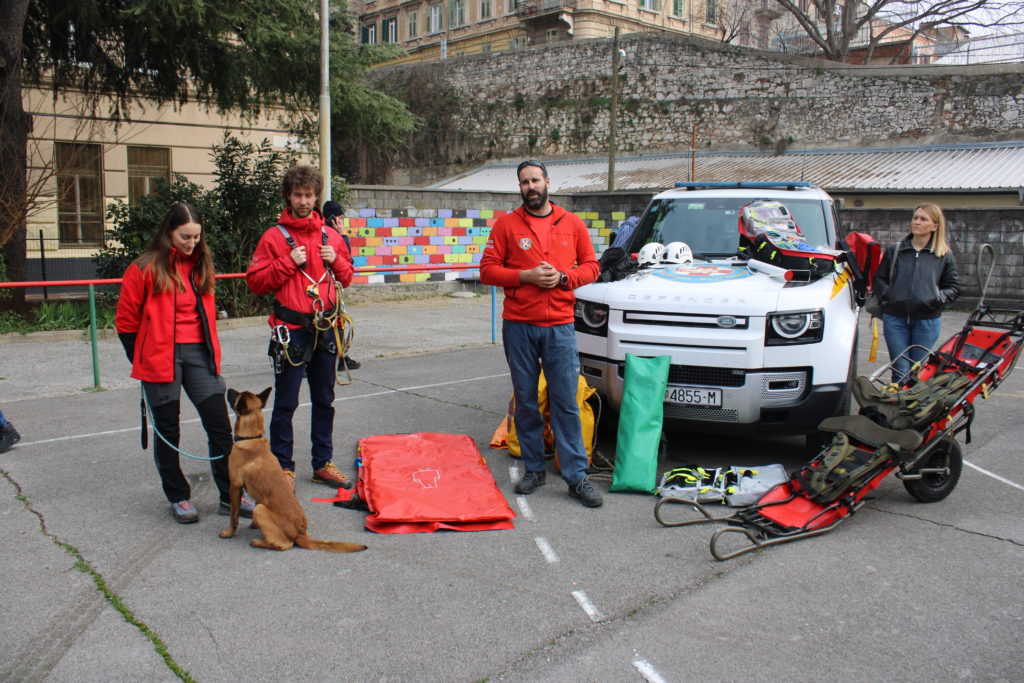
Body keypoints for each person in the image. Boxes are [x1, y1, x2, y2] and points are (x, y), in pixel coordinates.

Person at [116, 202, 255, 524]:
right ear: (168, 233)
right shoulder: (143, 268)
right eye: (184, 237)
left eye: (196, 237)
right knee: (168, 431)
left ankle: (230, 494)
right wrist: (142, 359)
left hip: (198, 356)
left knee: (220, 427)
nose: (191, 243)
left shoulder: (201, 264)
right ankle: (178, 497)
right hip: (159, 358)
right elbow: (125, 322)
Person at [480, 160, 603, 507]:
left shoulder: (573, 223)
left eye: (535, 180)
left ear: (548, 182)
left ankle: (577, 477)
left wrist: (564, 277)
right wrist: (526, 277)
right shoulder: (506, 225)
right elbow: (487, 270)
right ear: (519, 188)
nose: (530, 187)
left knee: (566, 402)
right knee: (527, 401)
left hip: (560, 327)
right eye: (524, 182)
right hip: (519, 326)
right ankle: (533, 468)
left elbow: (592, 267)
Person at [246, 165, 355, 489]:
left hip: (326, 327)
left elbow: (348, 277)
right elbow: (255, 282)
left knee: (324, 398)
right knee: (286, 402)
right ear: (288, 196)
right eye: (298, 195)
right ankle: (283, 468)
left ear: (316, 196)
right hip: (291, 328)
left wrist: (335, 258)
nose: (304, 201)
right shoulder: (273, 238)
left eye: (309, 195)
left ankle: (322, 462)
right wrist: (287, 262)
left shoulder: (331, 237)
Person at [872, 203, 960, 382]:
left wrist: (937, 299)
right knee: (900, 369)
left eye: (923, 219)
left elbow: (953, 287)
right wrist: (888, 295)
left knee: (916, 369)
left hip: (927, 321)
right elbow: (879, 279)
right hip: (895, 319)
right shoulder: (896, 250)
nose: (917, 222)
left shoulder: (944, 255)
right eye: (915, 218)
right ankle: (897, 408)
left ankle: (911, 407)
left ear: (935, 226)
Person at [322, 199, 360, 371]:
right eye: (340, 218)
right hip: (329, 287)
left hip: (330, 287)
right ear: (334, 219)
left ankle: (341, 356)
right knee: (336, 322)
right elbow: (346, 259)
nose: (342, 221)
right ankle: (340, 358)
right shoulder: (331, 234)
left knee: (336, 322)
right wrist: (343, 234)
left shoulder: (324, 231)